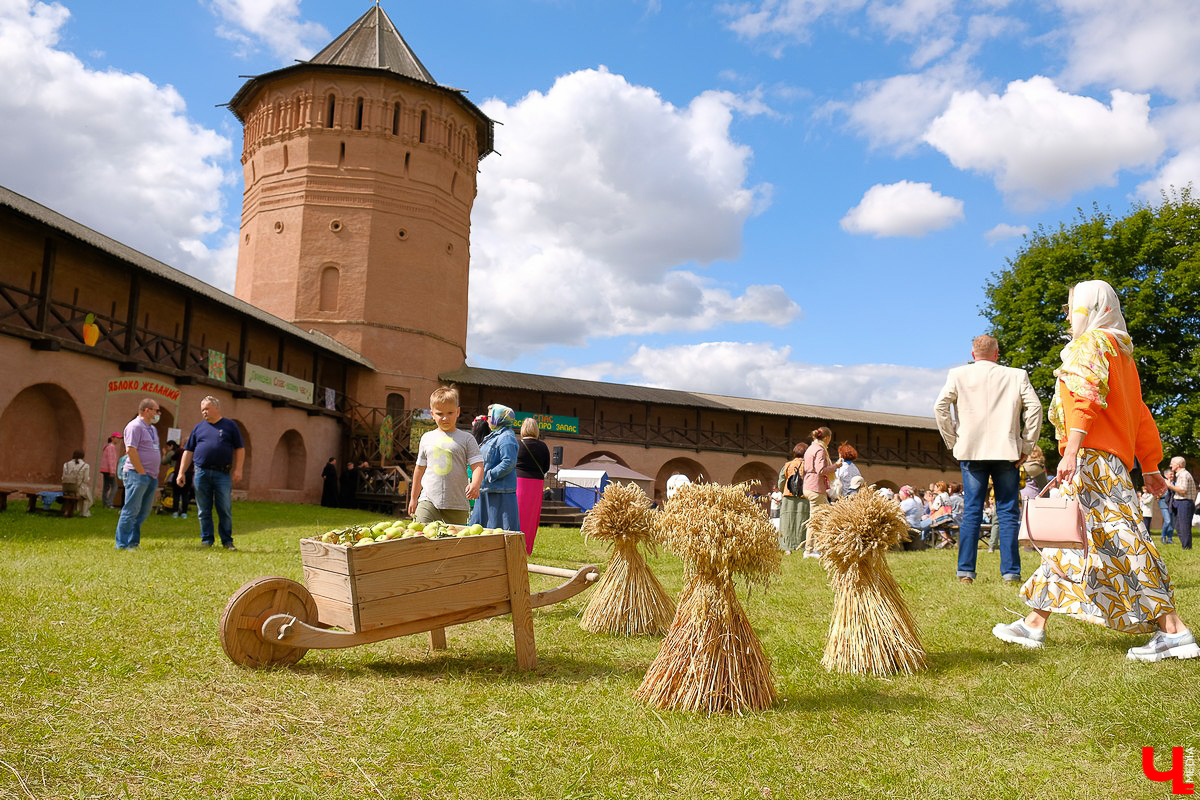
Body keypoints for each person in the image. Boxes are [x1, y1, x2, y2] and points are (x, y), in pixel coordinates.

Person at [992, 279, 1197, 662]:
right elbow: (1140, 416)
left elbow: (1082, 398)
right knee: (1071, 541)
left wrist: (1071, 449)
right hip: (1107, 460)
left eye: (1072, 307)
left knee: (1124, 540)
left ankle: (1174, 630)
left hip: (1090, 459)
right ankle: (1034, 623)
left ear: (1090, 307)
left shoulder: (1089, 346)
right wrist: (1149, 465)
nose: (1068, 315)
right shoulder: (1121, 354)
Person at [934, 333, 1043, 585]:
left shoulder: (958, 374)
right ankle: (1011, 572)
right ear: (997, 353)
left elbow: (940, 407)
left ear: (973, 355)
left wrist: (953, 441)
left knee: (972, 509)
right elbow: (1035, 408)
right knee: (1007, 511)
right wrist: (1027, 444)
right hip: (1007, 451)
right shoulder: (1017, 375)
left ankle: (966, 572)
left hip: (971, 450)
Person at [407, 386, 483, 526]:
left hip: (457, 503)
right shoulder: (426, 438)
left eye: (450, 412)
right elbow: (419, 470)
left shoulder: (466, 439)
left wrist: (475, 484)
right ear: (432, 414)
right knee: (419, 535)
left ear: (458, 412)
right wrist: (413, 498)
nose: (445, 418)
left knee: (453, 544)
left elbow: (477, 464)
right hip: (428, 499)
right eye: (439, 413)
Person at [178, 396, 245, 550]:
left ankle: (227, 541)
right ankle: (207, 540)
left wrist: (239, 469)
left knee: (224, 508)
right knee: (203, 509)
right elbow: (188, 451)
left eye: (207, 409)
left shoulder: (230, 426)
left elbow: (240, 449)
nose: (204, 412)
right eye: (202, 410)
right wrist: (181, 472)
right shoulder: (198, 427)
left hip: (222, 474)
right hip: (201, 472)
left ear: (217, 408)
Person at [115, 398, 162, 549]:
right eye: (156, 410)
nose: (157, 414)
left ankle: (133, 542)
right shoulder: (134, 426)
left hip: (151, 476)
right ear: (147, 410)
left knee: (143, 511)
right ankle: (121, 544)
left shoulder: (152, 429)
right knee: (131, 510)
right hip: (137, 474)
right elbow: (131, 450)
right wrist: (141, 471)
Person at [477, 404, 519, 531]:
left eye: (490, 416)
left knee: (497, 532)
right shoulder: (494, 435)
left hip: (500, 493)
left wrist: (489, 475)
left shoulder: (506, 437)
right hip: (488, 489)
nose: (487, 419)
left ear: (499, 418)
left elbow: (509, 462)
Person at [800, 427, 838, 559]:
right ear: (827, 438)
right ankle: (810, 550)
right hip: (816, 487)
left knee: (820, 517)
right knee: (817, 519)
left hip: (808, 485)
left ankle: (816, 548)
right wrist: (836, 466)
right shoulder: (821, 450)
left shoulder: (810, 448)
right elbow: (821, 470)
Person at [515, 417, 550, 555]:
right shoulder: (543, 446)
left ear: (523, 429)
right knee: (531, 516)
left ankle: (515, 544)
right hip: (537, 483)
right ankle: (527, 547)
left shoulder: (518, 444)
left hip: (520, 481)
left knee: (517, 513)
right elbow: (546, 467)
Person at [777, 444, 808, 554]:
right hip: (804, 497)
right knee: (803, 522)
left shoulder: (787, 465)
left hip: (788, 497)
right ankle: (802, 546)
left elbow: (781, 482)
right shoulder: (808, 466)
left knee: (787, 523)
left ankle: (787, 547)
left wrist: (784, 490)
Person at [1163, 457, 1196, 550]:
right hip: (1181, 502)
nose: (1170, 465)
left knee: (1184, 526)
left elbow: (1183, 490)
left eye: (1172, 463)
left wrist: (1169, 485)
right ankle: (1185, 547)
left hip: (1184, 502)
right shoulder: (1181, 475)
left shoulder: (1184, 475)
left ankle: (1186, 548)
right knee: (1179, 526)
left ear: (1178, 465)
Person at [61, 449, 93, 517]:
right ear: (83, 456)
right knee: (87, 497)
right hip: (78, 489)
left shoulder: (66, 464)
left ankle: (75, 510)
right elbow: (85, 480)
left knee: (84, 493)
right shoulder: (85, 465)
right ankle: (84, 512)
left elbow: (63, 477)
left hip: (66, 489)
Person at [99, 434, 120, 508]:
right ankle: (109, 503)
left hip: (105, 469)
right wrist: (112, 471)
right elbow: (111, 460)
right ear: (112, 438)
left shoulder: (107, 446)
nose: (118, 440)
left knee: (106, 487)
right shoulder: (111, 447)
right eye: (117, 438)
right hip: (108, 470)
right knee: (114, 486)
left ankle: (105, 503)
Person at [1158, 470, 1175, 543]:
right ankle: (1163, 537)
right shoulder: (1162, 483)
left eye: (1173, 474)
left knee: (1171, 522)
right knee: (1167, 521)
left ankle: (1170, 539)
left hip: (1173, 504)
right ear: (1166, 475)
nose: (1172, 476)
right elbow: (1159, 493)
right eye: (1171, 474)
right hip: (1164, 503)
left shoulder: (1175, 483)